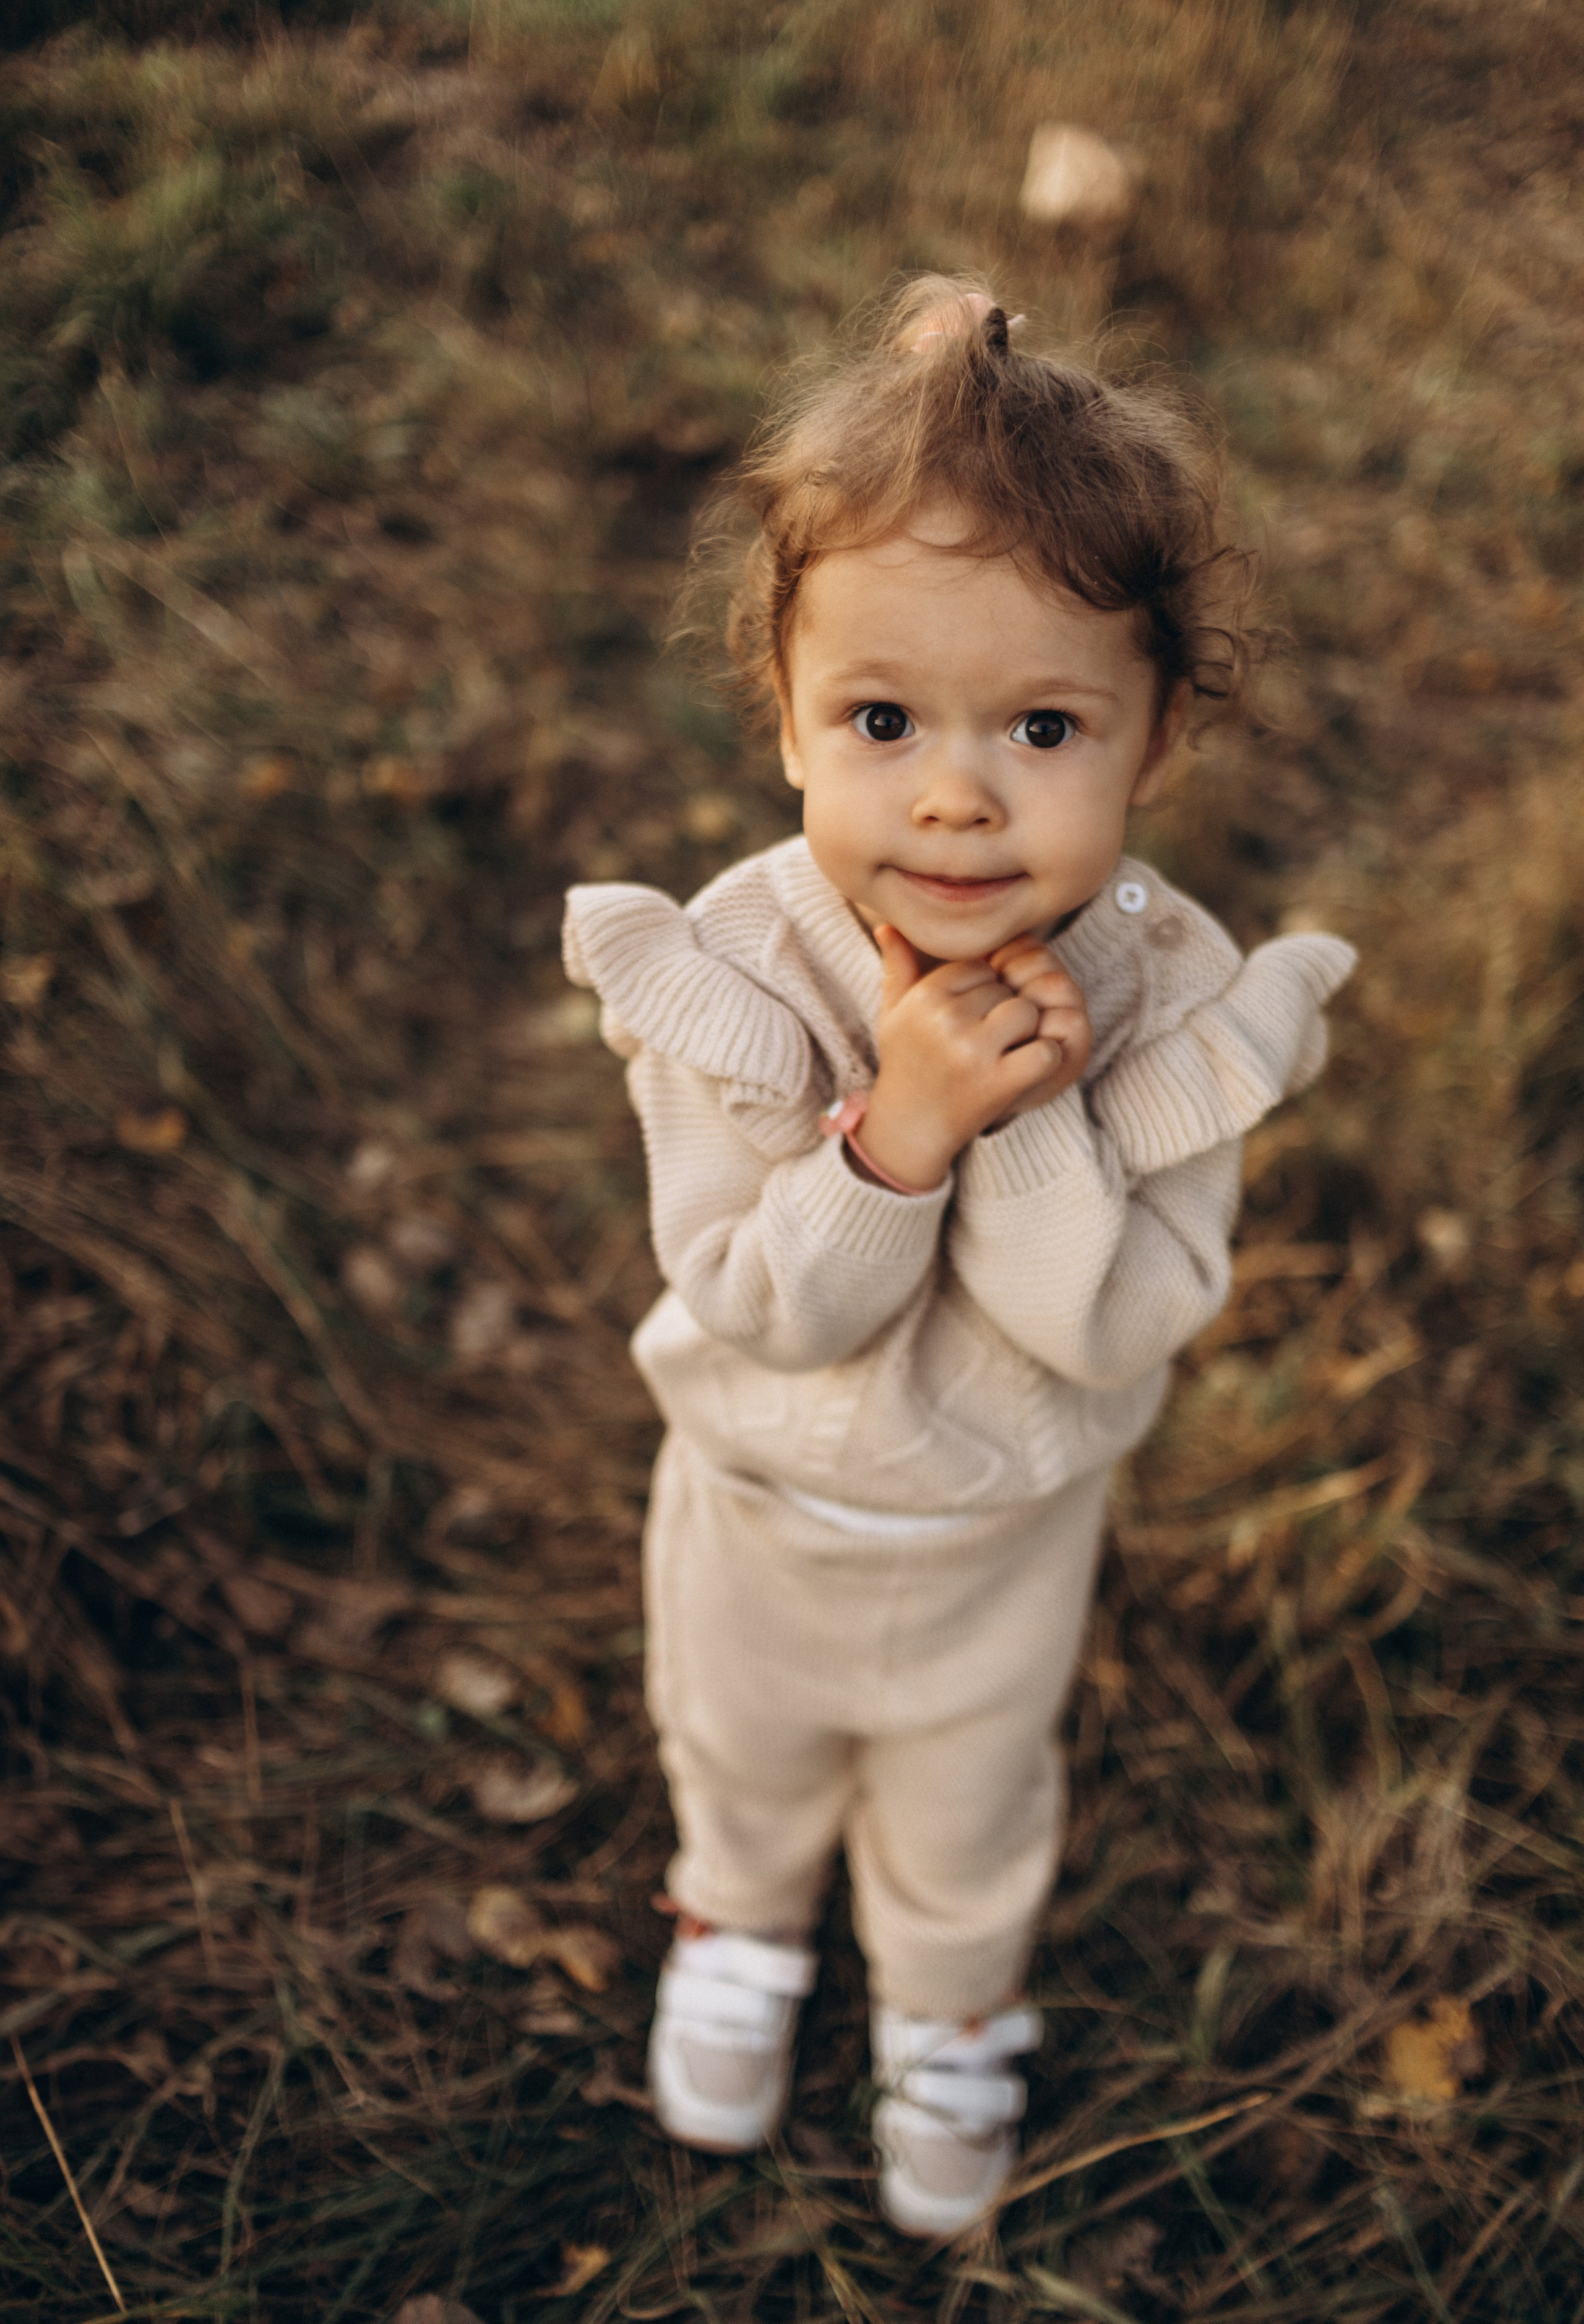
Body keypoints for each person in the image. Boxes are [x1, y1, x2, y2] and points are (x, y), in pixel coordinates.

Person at [561, 277, 1354, 2237]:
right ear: (786, 719)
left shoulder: (1170, 1004)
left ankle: (947, 2006)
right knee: (740, 1753)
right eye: (884, 718)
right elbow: (764, 1298)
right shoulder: (739, 975)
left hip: (1006, 1532)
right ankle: (737, 1926)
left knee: (971, 1804)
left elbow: (1104, 1327)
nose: (956, 794)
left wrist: (1034, 1126)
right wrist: (899, 1133)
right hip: (761, 1506)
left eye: (1046, 725)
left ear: (1160, 739)